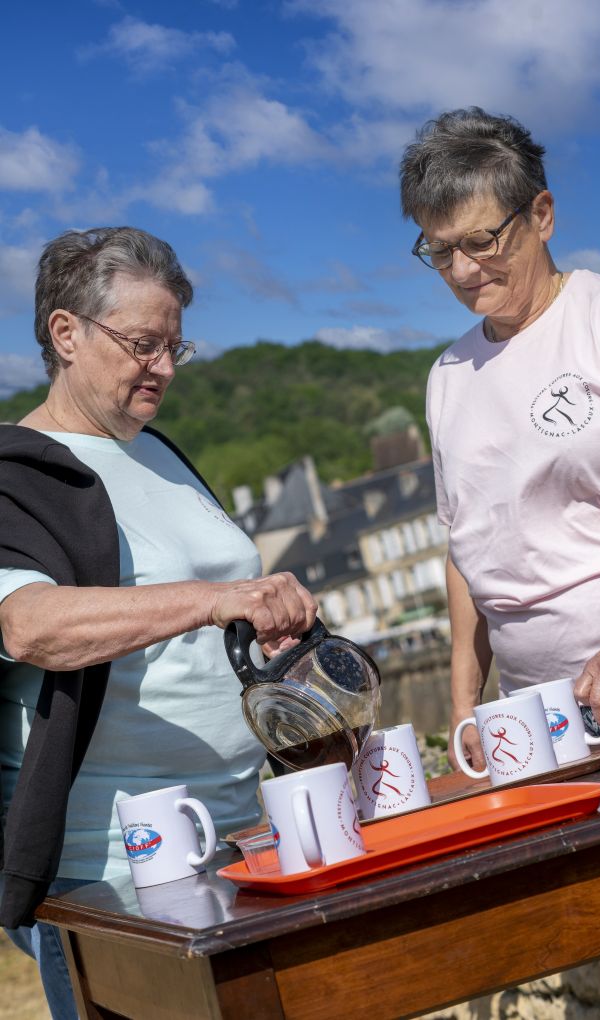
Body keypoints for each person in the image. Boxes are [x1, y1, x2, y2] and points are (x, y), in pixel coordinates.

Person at [0, 226, 317, 1019]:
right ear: (64, 332)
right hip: (111, 872)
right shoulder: (18, 472)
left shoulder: (160, 452)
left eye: (178, 347)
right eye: (144, 344)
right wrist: (211, 600)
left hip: (247, 838)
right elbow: (27, 626)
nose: (166, 369)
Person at [399, 107, 600, 773]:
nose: (463, 270)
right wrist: (466, 703)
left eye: (481, 241)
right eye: (441, 251)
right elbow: (466, 548)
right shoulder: (447, 376)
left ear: (542, 215)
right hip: (531, 720)